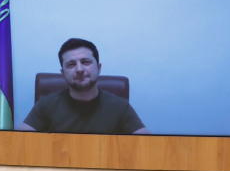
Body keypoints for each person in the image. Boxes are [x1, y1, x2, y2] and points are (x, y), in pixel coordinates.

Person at [16, 38, 149, 134]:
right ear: (63, 73)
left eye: (85, 62)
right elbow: (20, 142)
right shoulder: (46, 104)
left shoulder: (120, 106)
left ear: (99, 68)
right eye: (71, 64)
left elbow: (146, 145)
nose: (79, 69)